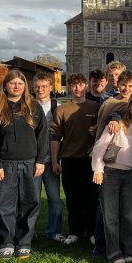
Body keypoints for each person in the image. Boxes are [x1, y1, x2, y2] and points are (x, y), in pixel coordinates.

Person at [0, 69, 48, 259]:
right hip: (5, 164)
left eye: (20, 83)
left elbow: (43, 135)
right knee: (5, 205)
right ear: (5, 86)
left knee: (31, 203)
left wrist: (40, 160)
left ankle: (24, 242)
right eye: (12, 83)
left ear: (25, 86)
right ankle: (7, 242)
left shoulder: (34, 107)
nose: (16, 86)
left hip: (30, 163)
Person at [91, 94, 132, 263]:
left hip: (129, 174)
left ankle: (129, 249)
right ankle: (114, 252)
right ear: (130, 106)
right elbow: (99, 147)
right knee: (111, 216)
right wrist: (98, 170)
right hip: (110, 173)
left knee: (129, 215)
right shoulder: (116, 125)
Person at [50, 73, 100, 245]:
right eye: (73, 85)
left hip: (90, 160)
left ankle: (92, 231)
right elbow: (55, 137)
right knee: (73, 199)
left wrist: (97, 129)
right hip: (69, 159)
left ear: (86, 86)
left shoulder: (96, 107)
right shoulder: (62, 109)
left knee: (91, 198)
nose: (77, 88)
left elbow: (104, 131)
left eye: (80, 85)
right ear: (69, 87)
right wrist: (55, 161)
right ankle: (75, 231)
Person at [33, 72, 64, 242]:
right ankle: (29, 232)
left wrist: (55, 159)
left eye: (44, 86)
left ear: (51, 87)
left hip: (50, 159)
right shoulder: (28, 105)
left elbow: (63, 133)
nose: (41, 90)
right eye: (38, 87)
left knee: (55, 199)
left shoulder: (57, 107)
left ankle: (54, 231)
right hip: (32, 160)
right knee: (32, 199)